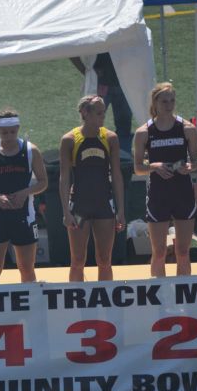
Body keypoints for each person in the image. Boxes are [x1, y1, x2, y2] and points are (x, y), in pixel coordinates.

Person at [0, 109, 47, 284]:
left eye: (13, 132)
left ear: (18, 128)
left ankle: (31, 306)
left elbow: (43, 182)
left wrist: (25, 193)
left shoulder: (31, 151)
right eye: (5, 132)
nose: (9, 136)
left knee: (27, 267)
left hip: (24, 215)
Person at [133, 82, 197, 277]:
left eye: (172, 101)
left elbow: (194, 162)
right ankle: (159, 299)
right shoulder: (143, 132)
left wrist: (189, 168)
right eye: (164, 101)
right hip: (158, 196)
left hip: (183, 194)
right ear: (155, 102)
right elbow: (138, 169)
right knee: (159, 252)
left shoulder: (187, 128)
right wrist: (154, 166)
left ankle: (183, 296)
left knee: (183, 252)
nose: (169, 105)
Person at [59, 96, 126, 282]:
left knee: (105, 260)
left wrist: (121, 210)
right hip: (79, 207)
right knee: (77, 260)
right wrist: (66, 211)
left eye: (104, 113)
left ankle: (106, 303)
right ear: (85, 113)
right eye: (98, 113)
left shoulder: (110, 138)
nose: (102, 117)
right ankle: (75, 303)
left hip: (104, 206)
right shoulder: (69, 140)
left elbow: (117, 176)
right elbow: (64, 178)